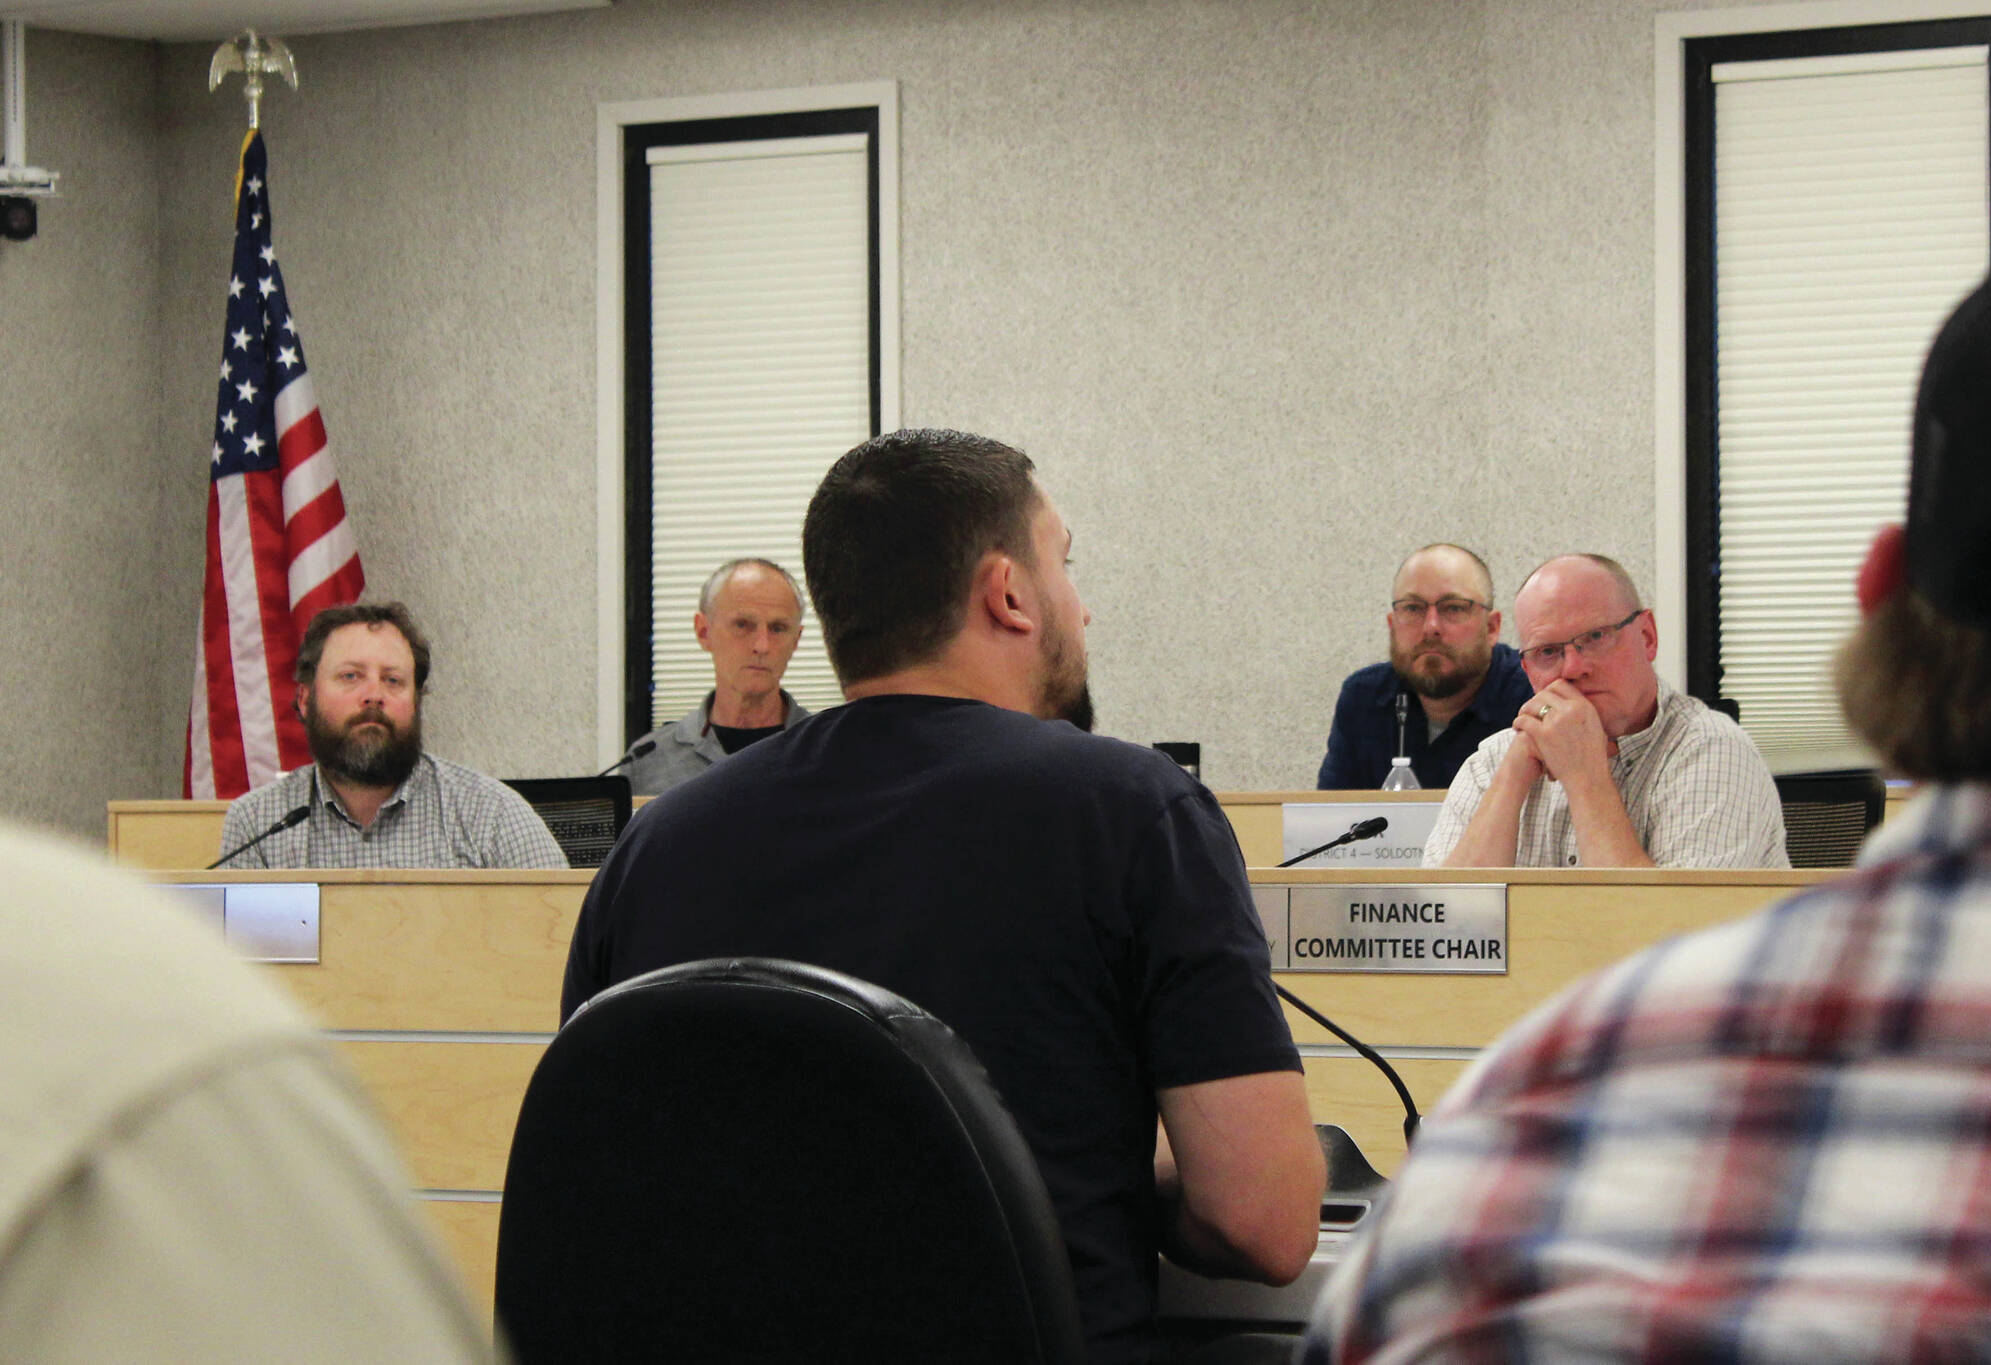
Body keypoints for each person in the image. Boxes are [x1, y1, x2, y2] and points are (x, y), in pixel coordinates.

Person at [1301, 244, 1991, 1363]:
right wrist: (1512, 771)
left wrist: (1592, 785)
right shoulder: (1498, 758)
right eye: (1539, 654)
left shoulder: (1708, 760)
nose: (1559, 675)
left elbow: (1652, 933)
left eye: (1585, 648)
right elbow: (1440, 939)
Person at [564, 428, 1324, 1364]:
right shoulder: (1134, 811)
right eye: (1066, 567)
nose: (1081, 611)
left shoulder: (652, 846)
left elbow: (601, 1189)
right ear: (1008, 593)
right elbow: (1264, 1222)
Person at [0, 821, 494, 1360]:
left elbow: (561, 896)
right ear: (305, 727)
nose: (368, 726)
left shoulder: (489, 814)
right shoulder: (261, 820)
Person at [1422, 554, 1786, 867]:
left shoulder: (1714, 751)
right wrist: (1514, 774)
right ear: (1528, 671)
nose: (1573, 668)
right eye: (1548, 652)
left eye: (1596, 638)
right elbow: (1444, 929)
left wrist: (1584, 774)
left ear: (1647, 637)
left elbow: (1664, 932)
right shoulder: (1492, 762)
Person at [218, 601, 566, 869]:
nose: (373, 694)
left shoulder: (491, 814)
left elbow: (564, 939)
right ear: (306, 700)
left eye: (393, 680)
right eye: (351, 676)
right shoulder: (258, 823)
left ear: (416, 702)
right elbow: (232, 959)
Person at [1317, 544, 1533, 790]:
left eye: (1453, 607)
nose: (1430, 626)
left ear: (1492, 627)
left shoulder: (1532, 695)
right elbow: (1332, 819)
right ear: (1392, 625)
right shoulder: (1363, 699)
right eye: (1413, 608)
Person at [621, 558, 813, 795]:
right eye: (743, 625)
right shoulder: (649, 763)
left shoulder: (826, 753)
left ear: (796, 640)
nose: (762, 646)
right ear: (703, 632)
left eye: (778, 628)